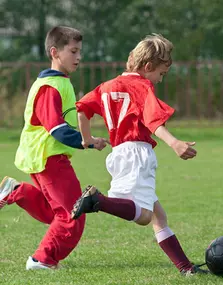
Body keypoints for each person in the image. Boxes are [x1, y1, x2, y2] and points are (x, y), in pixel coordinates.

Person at [71, 34, 209, 276]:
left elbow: (81, 109)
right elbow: (153, 121)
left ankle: (186, 269)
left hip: (119, 153)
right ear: (147, 67)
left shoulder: (106, 87)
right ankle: (97, 201)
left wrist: (88, 139)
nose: (160, 80)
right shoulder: (142, 86)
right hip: (137, 152)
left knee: (158, 216)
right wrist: (174, 143)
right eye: (161, 74)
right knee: (144, 216)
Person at [0, 26, 108, 270]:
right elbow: (56, 129)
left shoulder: (59, 82)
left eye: (80, 51)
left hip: (43, 156)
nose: (79, 57)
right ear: (54, 52)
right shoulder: (51, 86)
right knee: (73, 216)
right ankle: (41, 260)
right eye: (73, 51)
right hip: (48, 158)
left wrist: (87, 138)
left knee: (55, 214)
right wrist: (87, 141)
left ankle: (15, 191)